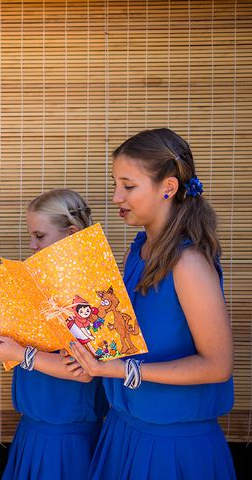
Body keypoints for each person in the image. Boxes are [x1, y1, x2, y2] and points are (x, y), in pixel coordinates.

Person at [67, 128, 235, 479]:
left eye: (128, 186)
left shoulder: (189, 264)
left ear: (168, 188)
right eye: (116, 184)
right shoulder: (137, 250)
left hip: (172, 447)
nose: (116, 197)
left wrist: (121, 370)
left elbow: (217, 365)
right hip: (122, 431)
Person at [0, 189, 108, 480]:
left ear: (71, 233)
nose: (31, 245)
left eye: (39, 236)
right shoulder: (40, 284)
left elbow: (84, 371)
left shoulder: (91, 292)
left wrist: (20, 355)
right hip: (31, 429)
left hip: (68, 441)